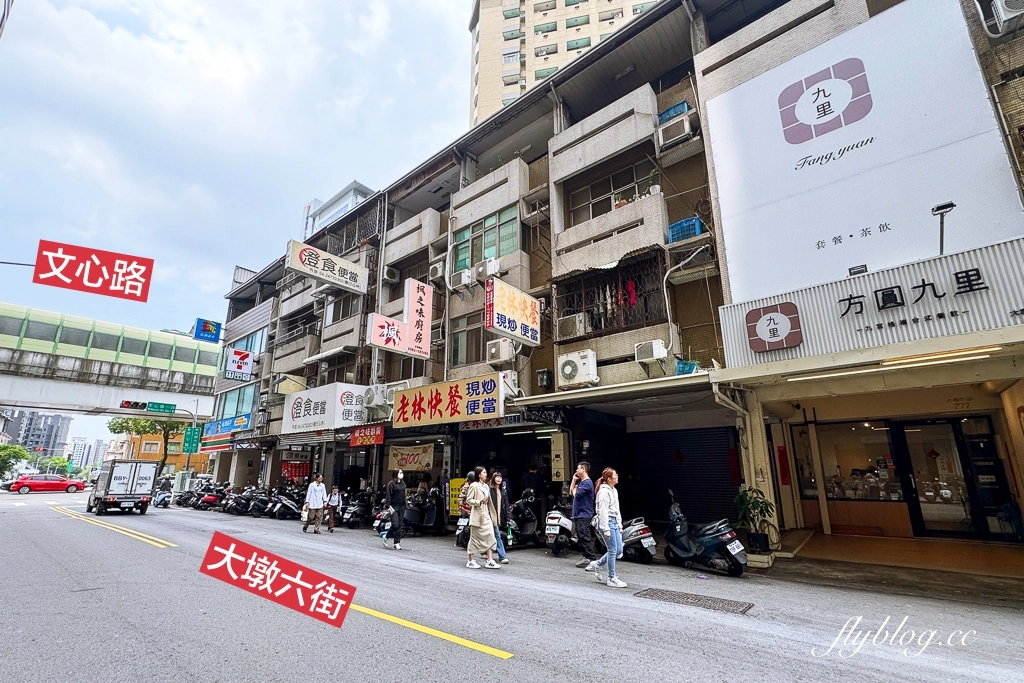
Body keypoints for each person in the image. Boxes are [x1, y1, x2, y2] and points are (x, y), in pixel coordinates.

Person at [593, 468, 627, 588]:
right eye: (615, 475)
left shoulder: (614, 490)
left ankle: (598, 564)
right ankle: (611, 578)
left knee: (619, 550)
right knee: (613, 550)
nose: (617, 476)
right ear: (609, 479)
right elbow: (602, 511)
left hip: (613, 521)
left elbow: (617, 510)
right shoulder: (604, 492)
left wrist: (620, 525)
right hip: (606, 522)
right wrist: (606, 529)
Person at [465, 467, 500, 569]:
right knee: (474, 539)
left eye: (485, 472)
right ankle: (470, 560)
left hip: (486, 515)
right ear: (479, 474)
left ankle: (489, 560)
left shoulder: (486, 486)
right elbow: (469, 500)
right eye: (484, 472)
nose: (486, 474)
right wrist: (479, 502)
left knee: (491, 536)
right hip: (477, 515)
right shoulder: (474, 486)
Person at [569, 461, 597, 570]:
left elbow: (577, 494)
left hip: (584, 513)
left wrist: (575, 489)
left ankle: (592, 560)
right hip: (578, 513)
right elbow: (571, 492)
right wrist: (574, 480)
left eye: (578, 468)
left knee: (585, 537)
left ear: (583, 470)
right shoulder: (581, 482)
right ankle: (586, 557)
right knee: (580, 537)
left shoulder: (587, 483)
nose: (576, 470)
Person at [489, 469, 511, 564]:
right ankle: (502, 556)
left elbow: (506, 505)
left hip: (498, 517)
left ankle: (484, 552)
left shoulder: (502, 491)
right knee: (497, 536)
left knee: (491, 536)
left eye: (500, 477)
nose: (499, 479)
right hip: (490, 517)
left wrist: (508, 518)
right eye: (497, 477)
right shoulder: (490, 490)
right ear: (493, 479)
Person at [384, 468, 407, 551]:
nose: (401, 474)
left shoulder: (403, 483)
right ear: (396, 473)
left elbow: (404, 495)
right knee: (395, 524)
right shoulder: (391, 484)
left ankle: (396, 542)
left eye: (402, 472)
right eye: (400, 472)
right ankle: (386, 536)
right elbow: (388, 495)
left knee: (400, 525)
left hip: (402, 506)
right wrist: (387, 506)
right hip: (393, 506)